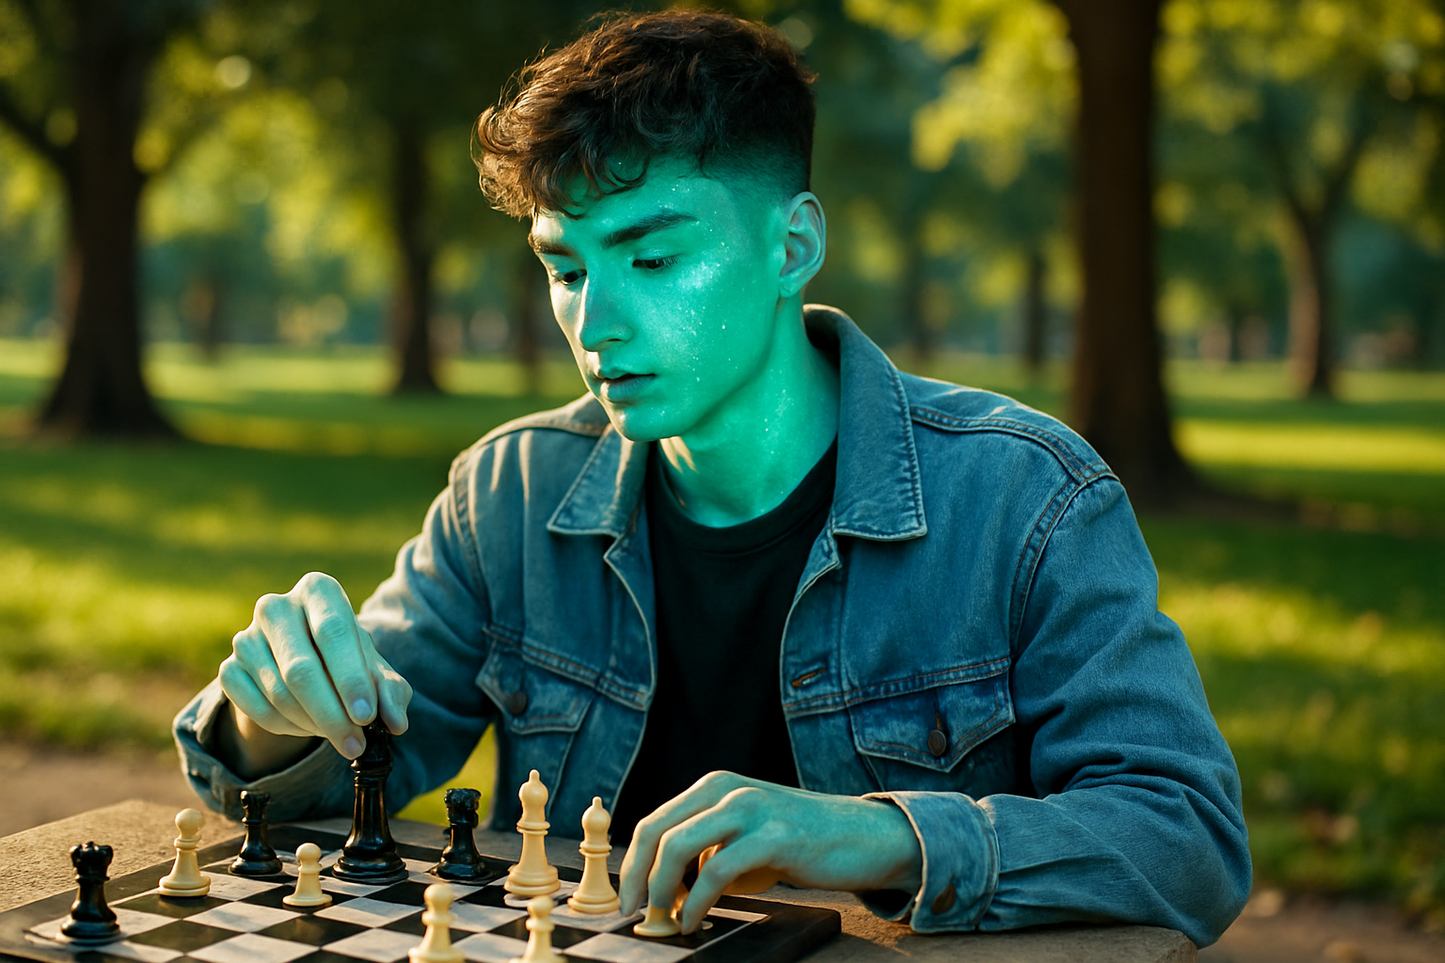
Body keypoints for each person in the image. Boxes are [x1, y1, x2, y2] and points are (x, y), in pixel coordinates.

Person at [173, 9, 1250, 946]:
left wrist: (874, 835)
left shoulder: (1026, 497)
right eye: (564, 266)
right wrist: (277, 711)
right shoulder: (508, 492)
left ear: (792, 247)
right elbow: (328, 773)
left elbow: (1189, 842)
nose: (594, 322)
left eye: (652, 259)